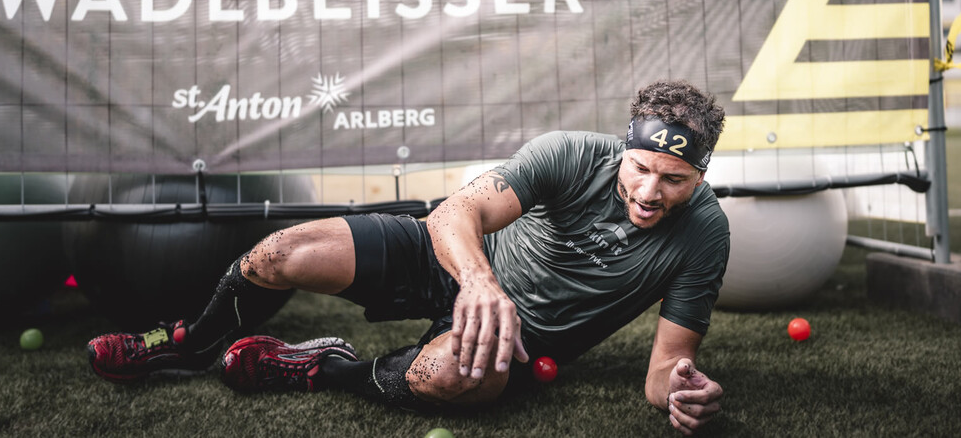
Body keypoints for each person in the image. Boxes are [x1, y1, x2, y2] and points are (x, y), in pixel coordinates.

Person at [88, 79, 729, 435]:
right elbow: (455, 213)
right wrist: (479, 280)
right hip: (451, 260)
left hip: (514, 337)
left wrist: (679, 394)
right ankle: (186, 342)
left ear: (701, 176)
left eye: (674, 180)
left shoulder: (706, 236)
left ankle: (322, 367)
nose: (649, 192)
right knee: (279, 253)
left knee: (453, 376)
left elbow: (664, 369)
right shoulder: (569, 154)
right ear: (625, 148)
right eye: (641, 168)